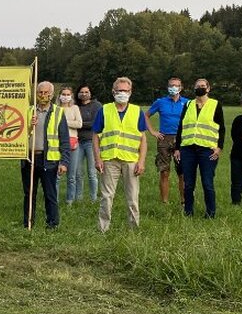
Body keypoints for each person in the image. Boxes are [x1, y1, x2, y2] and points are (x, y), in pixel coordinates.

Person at [93, 77, 148, 232]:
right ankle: (103, 229)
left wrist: (141, 161)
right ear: (113, 92)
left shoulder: (137, 111)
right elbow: (96, 136)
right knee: (106, 197)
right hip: (109, 160)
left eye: (125, 90)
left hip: (131, 161)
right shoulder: (104, 110)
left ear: (130, 92)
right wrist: (98, 159)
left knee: (132, 198)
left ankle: (134, 228)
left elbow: (143, 139)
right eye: (119, 90)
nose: (122, 93)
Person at [21, 81, 70, 228]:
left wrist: (64, 161)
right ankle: (28, 222)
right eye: (40, 92)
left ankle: (52, 223)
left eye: (46, 93)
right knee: (29, 193)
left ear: (51, 94)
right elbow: (20, 134)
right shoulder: (28, 111)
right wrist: (30, 125)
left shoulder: (58, 112)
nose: (43, 95)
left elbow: (64, 139)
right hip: (29, 158)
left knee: (50, 194)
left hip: (48, 159)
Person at [173, 78, 225, 219]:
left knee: (207, 183)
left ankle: (210, 213)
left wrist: (219, 148)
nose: (200, 88)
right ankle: (188, 212)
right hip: (188, 149)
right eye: (197, 86)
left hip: (207, 149)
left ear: (208, 88)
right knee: (188, 183)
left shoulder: (215, 104)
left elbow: (222, 128)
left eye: (203, 86)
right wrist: (177, 148)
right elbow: (181, 127)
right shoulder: (188, 104)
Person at [147, 77, 189, 205]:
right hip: (164, 139)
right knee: (164, 171)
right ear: (168, 87)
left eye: (176, 85)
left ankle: (183, 201)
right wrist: (153, 132)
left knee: (182, 172)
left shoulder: (188, 103)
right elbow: (146, 116)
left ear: (181, 88)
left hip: (181, 139)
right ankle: (164, 201)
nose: (174, 87)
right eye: (171, 85)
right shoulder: (160, 102)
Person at [72, 85, 101, 203]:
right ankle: (78, 198)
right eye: (81, 92)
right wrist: (77, 123)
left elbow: (95, 123)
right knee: (78, 172)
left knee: (92, 172)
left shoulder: (97, 105)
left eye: (86, 92)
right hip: (77, 141)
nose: (84, 94)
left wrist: (78, 123)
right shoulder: (74, 106)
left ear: (90, 93)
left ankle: (93, 198)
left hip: (91, 142)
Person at [57, 86, 83, 204]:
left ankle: (70, 200)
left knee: (71, 176)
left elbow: (79, 124)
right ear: (59, 95)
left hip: (73, 143)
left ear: (71, 96)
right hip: (57, 144)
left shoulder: (75, 108)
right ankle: (54, 200)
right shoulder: (55, 109)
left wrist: (63, 123)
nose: (65, 96)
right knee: (56, 176)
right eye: (63, 94)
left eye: (68, 94)